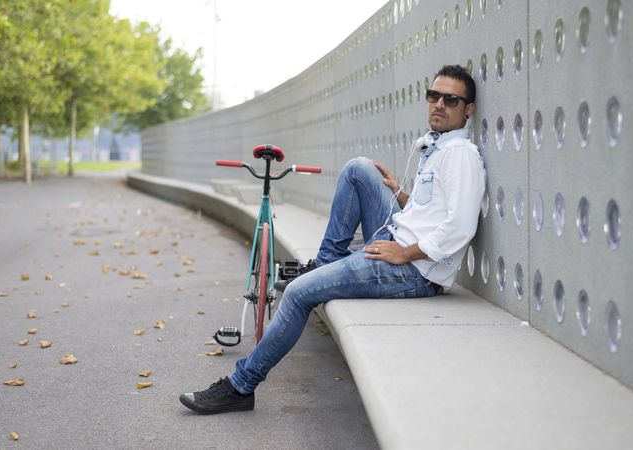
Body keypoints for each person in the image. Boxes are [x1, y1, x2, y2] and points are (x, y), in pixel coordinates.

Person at [180, 64, 486, 414]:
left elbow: (461, 226)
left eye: (451, 99)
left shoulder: (461, 155)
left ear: (468, 109)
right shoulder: (436, 148)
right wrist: (400, 196)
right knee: (359, 169)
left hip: (413, 271)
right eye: (434, 96)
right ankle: (325, 263)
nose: (439, 104)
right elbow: (433, 212)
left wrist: (404, 254)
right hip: (397, 237)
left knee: (298, 293)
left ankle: (240, 387)